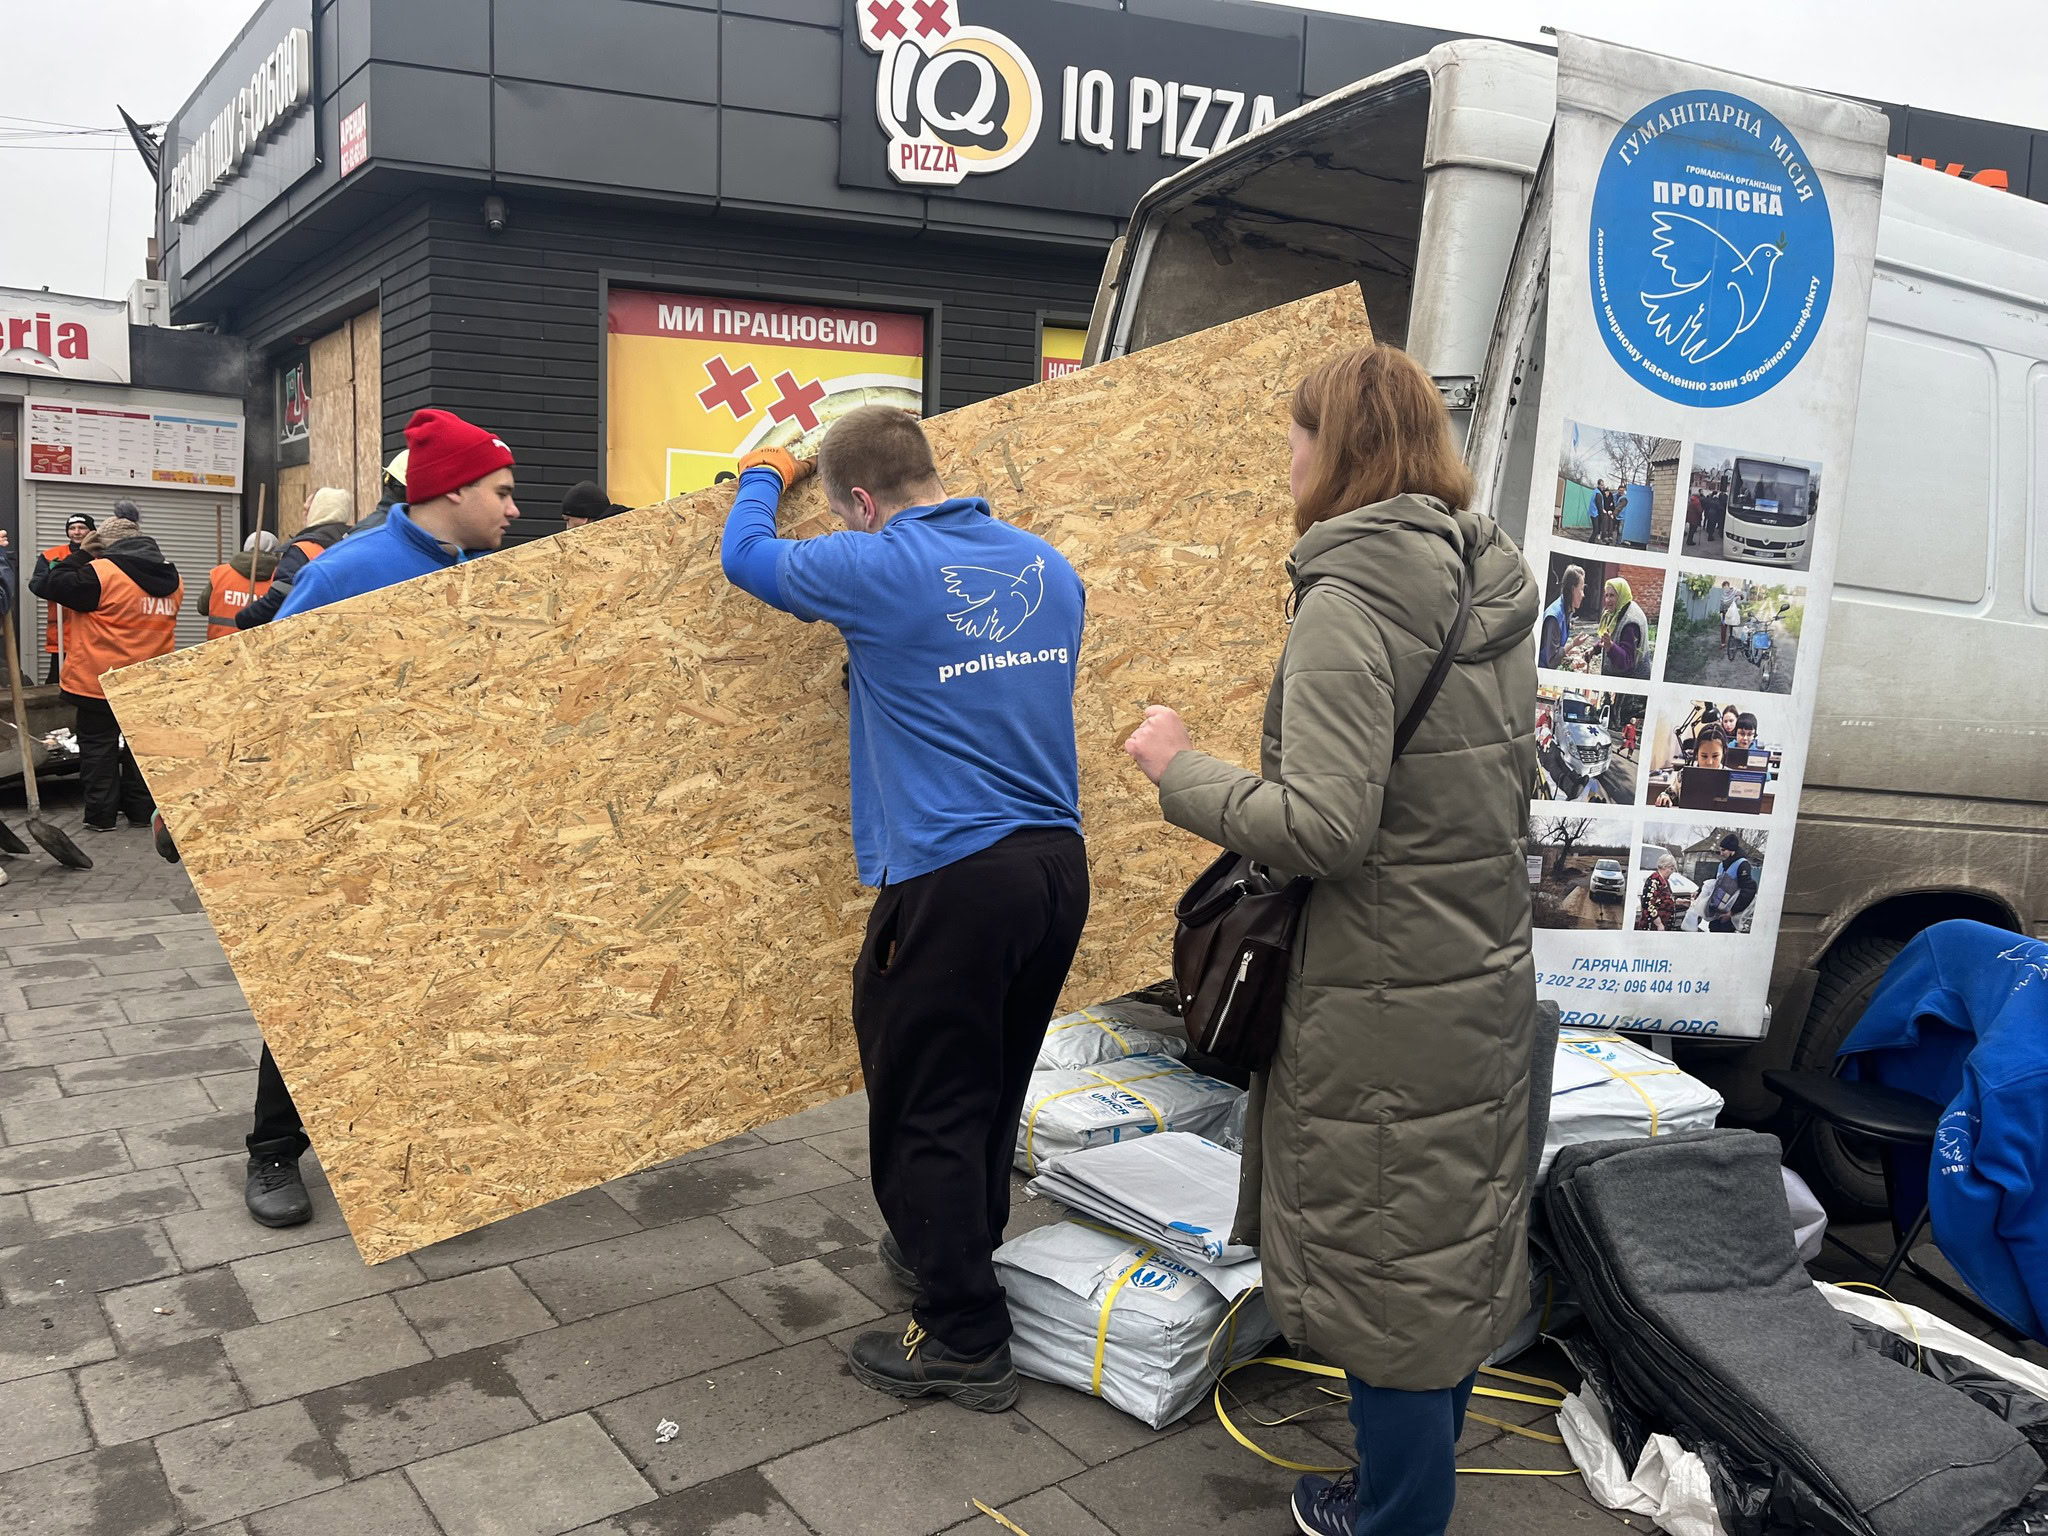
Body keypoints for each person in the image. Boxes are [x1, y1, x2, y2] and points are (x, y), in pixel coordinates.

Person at [1121, 343, 1538, 1536]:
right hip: (1473, 976)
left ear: (1338, 447)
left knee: (1384, 1279)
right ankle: (1404, 1491)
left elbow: (1324, 827)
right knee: (1439, 1255)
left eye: (1296, 435)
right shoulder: (1482, 583)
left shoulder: (1351, 597)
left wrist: (1176, 768)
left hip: (1378, 997)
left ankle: (1396, 1518)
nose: (1286, 459)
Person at [719, 405, 1087, 1412]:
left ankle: (964, 1335)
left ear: (861, 502)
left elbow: (744, 558)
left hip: (954, 878)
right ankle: (952, 1244)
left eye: (844, 509)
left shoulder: (874, 565)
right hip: (1056, 870)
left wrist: (764, 470)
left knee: (924, 1097)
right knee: (991, 1082)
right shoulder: (1046, 568)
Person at [243, 409, 519, 1228]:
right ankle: (271, 1154)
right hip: (354, 825)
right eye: (501, 492)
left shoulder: (478, 569)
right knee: (320, 989)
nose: (512, 508)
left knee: (434, 993)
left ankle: (416, 1157)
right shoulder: (349, 571)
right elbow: (267, 699)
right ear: (455, 489)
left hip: (444, 822)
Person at [37, 515, 182, 832]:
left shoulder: (100, 574)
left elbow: (45, 584)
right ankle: (143, 813)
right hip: (149, 681)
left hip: (98, 681)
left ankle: (101, 817)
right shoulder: (172, 578)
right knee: (141, 751)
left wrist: (82, 553)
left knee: (99, 750)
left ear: (104, 546)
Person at [235, 488, 354, 630]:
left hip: (308, 635)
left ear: (319, 510)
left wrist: (245, 618)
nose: (303, 514)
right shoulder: (356, 543)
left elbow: (280, 598)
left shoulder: (303, 550)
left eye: (307, 509)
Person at [30, 515, 93, 683]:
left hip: (93, 628)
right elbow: (36, 586)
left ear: (91, 531)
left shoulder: (101, 556)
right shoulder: (52, 555)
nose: (77, 532)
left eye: (82, 528)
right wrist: (54, 582)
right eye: (72, 528)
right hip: (61, 629)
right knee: (57, 678)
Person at [199, 532, 280, 640]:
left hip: (218, 650)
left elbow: (202, 608)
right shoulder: (279, 580)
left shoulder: (221, 573)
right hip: (260, 652)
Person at [1655, 726, 1725, 808]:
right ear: (1696, 753)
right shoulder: (1684, 774)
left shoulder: (1732, 778)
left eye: (1715, 756)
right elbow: (1669, 794)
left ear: (1723, 753)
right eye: (1704, 756)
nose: (1709, 762)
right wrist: (1664, 797)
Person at [1704, 833, 1758, 932]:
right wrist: (1699, 893)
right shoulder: (1722, 865)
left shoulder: (1742, 865)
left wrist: (1732, 912)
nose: (1721, 853)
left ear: (1732, 850)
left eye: (1723, 850)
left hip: (1729, 916)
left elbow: (1748, 890)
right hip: (1717, 913)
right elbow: (1714, 883)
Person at [1599, 576, 1649, 678]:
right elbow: (1609, 636)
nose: (1608, 600)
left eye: (1612, 595)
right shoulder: (1617, 611)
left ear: (1621, 595)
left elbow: (1627, 661)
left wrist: (1610, 646)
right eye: (1606, 595)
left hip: (1632, 682)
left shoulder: (1631, 623)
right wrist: (1594, 649)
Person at [1538, 563, 1584, 669]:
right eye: (1581, 589)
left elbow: (1557, 647)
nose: (1583, 594)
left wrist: (1569, 650)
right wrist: (1572, 644)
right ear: (1573, 590)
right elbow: (1552, 660)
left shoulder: (1566, 610)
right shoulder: (1554, 617)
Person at [1636, 852, 1680, 931]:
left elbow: (1665, 899)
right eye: (1671, 868)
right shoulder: (1653, 880)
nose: (1673, 871)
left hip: (1664, 925)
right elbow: (1648, 904)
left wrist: (1679, 901)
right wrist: (1659, 924)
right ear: (1664, 866)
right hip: (1652, 927)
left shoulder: (1665, 881)